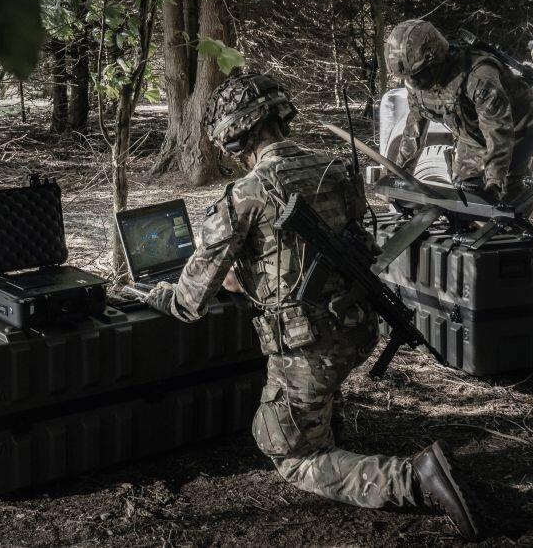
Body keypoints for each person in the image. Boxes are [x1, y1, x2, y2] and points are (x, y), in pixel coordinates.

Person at [142, 73, 481, 541]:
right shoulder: (335, 170)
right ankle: (320, 420)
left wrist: (158, 294)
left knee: (286, 451)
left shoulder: (244, 195)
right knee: (305, 405)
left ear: (234, 134)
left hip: (308, 345)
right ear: (281, 117)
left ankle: (415, 479)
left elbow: (190, 302)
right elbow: (351, 247)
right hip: (359, 327)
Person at [386, 19, 533, 203]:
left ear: (434, 58)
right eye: (409, 78)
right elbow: (414, 130)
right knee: (465, 196)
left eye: (418, 75)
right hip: (474, 138)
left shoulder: (479, 75)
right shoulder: (416, 83)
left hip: (517, 129)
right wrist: (399, 178)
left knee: (506, 201)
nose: (414, 82)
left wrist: (494, 184)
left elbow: (498, 130)